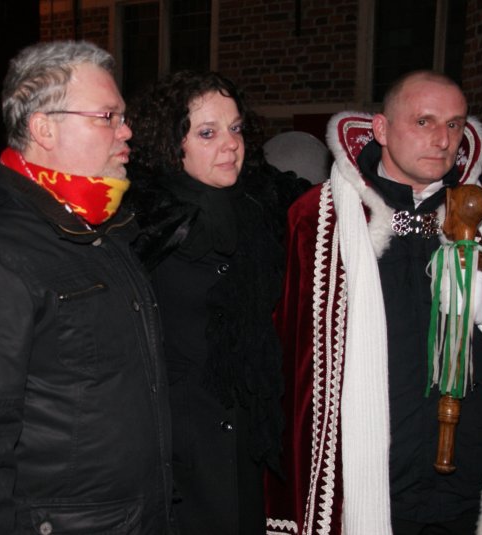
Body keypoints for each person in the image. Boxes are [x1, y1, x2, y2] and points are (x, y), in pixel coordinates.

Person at [265, 70, 482, 535]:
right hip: (372, 482)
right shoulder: (320, 220)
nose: (442, 140)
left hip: (472, 482)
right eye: (424, 121)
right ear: (382, 129)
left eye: (454, 124)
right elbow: (292, 358)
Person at [0, 40, 174, 535]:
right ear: (43, 128)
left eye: (122, 117)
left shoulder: (105, 231)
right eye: (108, 117)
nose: (127, 131)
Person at [123, 70, 308, 535]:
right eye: (207, 133)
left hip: (245, 438)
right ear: (172, 144)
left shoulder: (264, 206)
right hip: (172, 446)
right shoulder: (140, 221)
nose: (230, 144)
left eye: (236, 128)